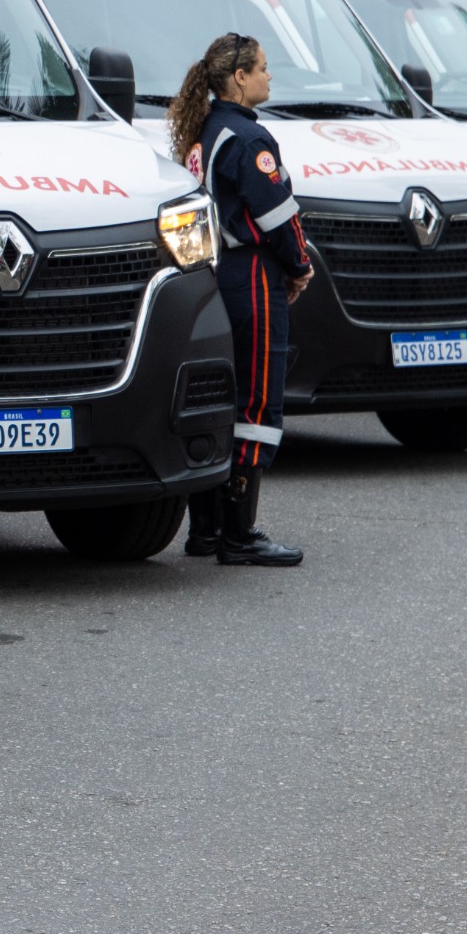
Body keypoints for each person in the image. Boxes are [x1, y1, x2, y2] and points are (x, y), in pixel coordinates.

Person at [167, 32, 309, 566]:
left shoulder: (205, 130)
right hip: (251, 276)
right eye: (265, 69)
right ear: (241, 77)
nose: (271, 77)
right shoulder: (250, 139)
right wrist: (299, 267)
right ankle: (239, 535)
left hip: (213, 276)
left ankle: (206, 531)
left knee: (219, 403)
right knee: (254, 403)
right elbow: (278, 216)